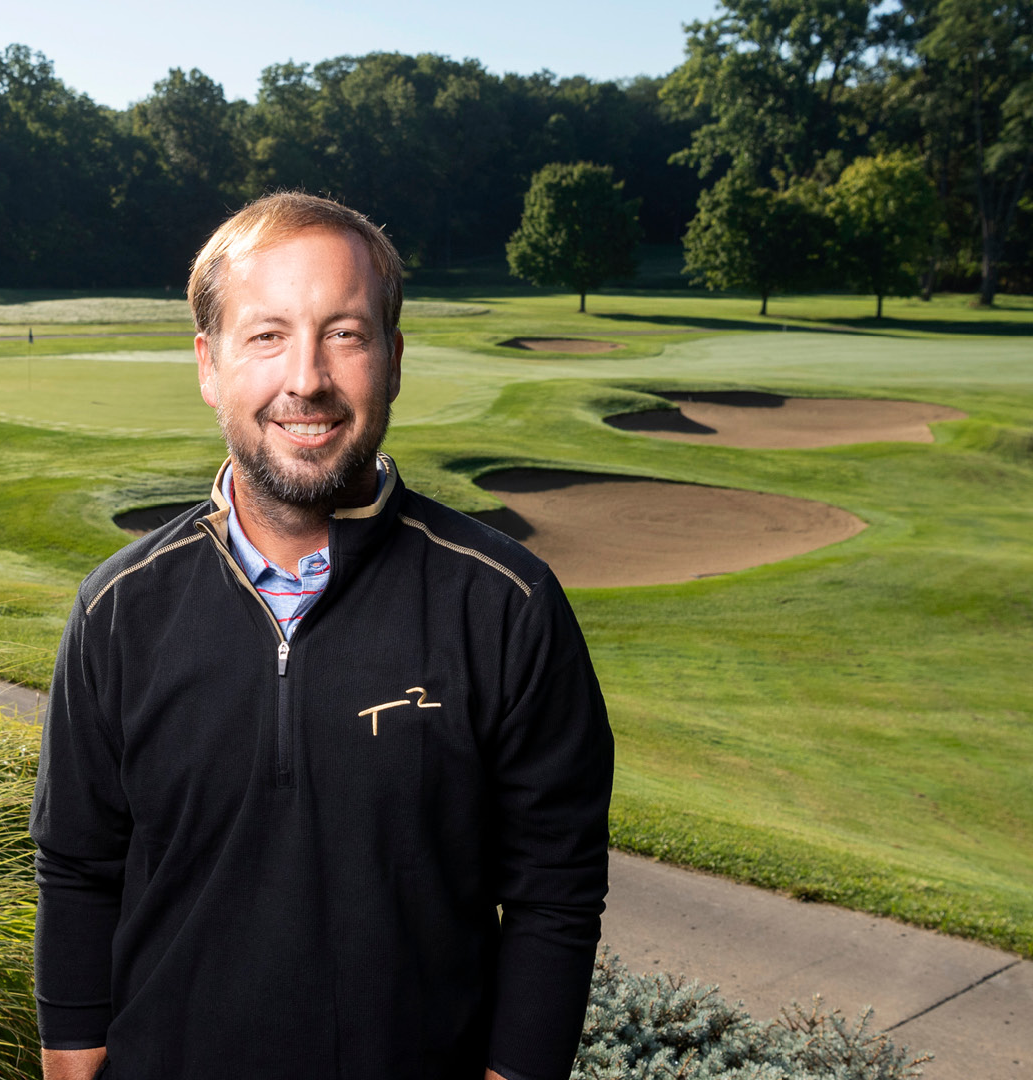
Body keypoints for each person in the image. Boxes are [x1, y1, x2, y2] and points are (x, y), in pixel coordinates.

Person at [30, 192, 613, 1080]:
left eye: (344, 333)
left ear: (393, 359)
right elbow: (77, 868)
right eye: (266, 336)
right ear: (209, 364)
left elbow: (554, 895)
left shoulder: (505, 604)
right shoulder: (118, 609)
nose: (306, 378)